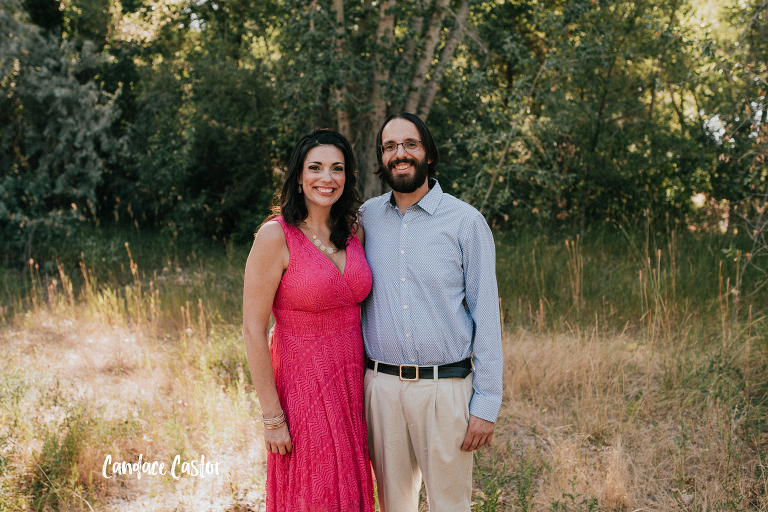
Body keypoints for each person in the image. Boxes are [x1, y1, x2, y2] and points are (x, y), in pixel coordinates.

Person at [359, 112, 503, 512]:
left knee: (450, 506)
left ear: (428, 154)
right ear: (381, 158)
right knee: (392, 505)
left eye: (411, 144)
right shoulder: (365, 219)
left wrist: (486, 403)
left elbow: (486, 316)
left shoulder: (466, 222)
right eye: (390, 146)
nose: (400, 154)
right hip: (381, 388)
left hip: (446, 390)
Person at [242, 129, 374, 512]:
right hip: (303, 392)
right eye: (315, 168)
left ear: (347, 177)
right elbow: (253, 329)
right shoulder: (275, 236)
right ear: (298, 177)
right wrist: (272, 417)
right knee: (314, 494)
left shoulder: (354, 232)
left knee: (350, 492)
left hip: (352, 389)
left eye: (337, 168)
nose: (326, 178)